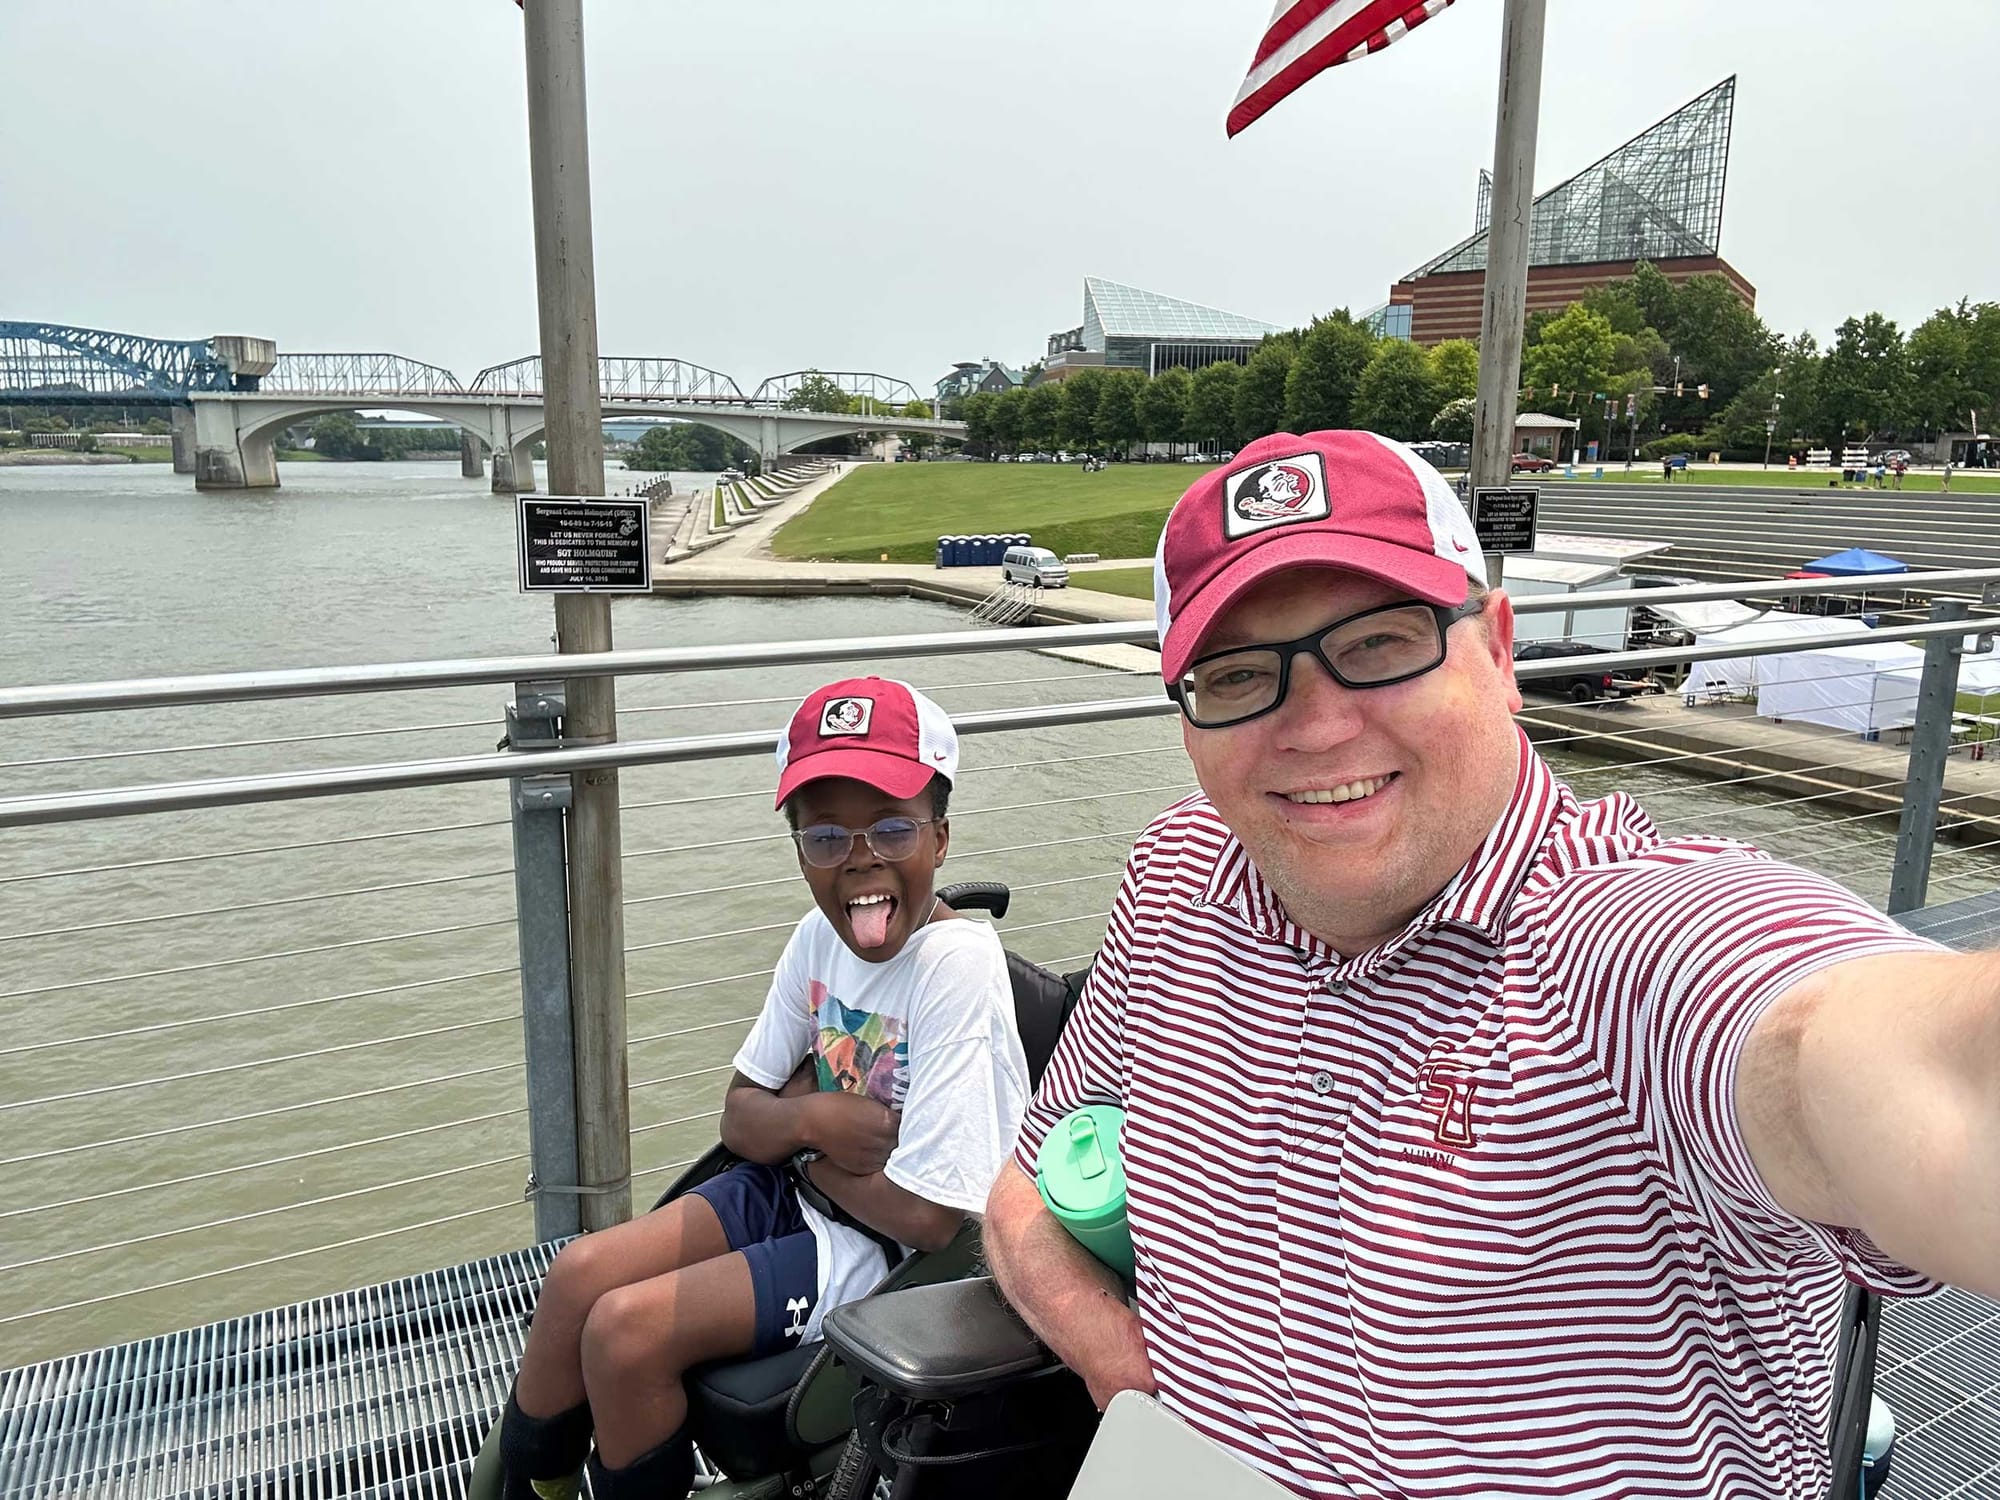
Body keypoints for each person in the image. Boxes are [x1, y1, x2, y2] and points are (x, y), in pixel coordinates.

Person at [984, 430, 2000, 1498]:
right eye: (1238, 675)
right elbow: (1026, 1184)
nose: (1318, 727)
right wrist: (1117, 1372)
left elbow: (1851, 1048)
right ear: (1188, 721)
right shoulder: (1179, 878)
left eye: (1379, 642)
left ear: (1499, 650)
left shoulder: (1615, 943)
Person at [494, 677, 1029, 1500]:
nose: (861, 859)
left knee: (625, 1334)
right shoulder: (818, 938)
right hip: (790, 1188)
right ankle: (537, 1483)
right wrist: (815, 1117)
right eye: (825, 839)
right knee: (576, 1276)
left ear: (941, 838)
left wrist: (800, 1143)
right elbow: (741, 1118)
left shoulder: (955, 968)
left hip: (877, 1251)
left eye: (892, 827)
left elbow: (928, 1216)